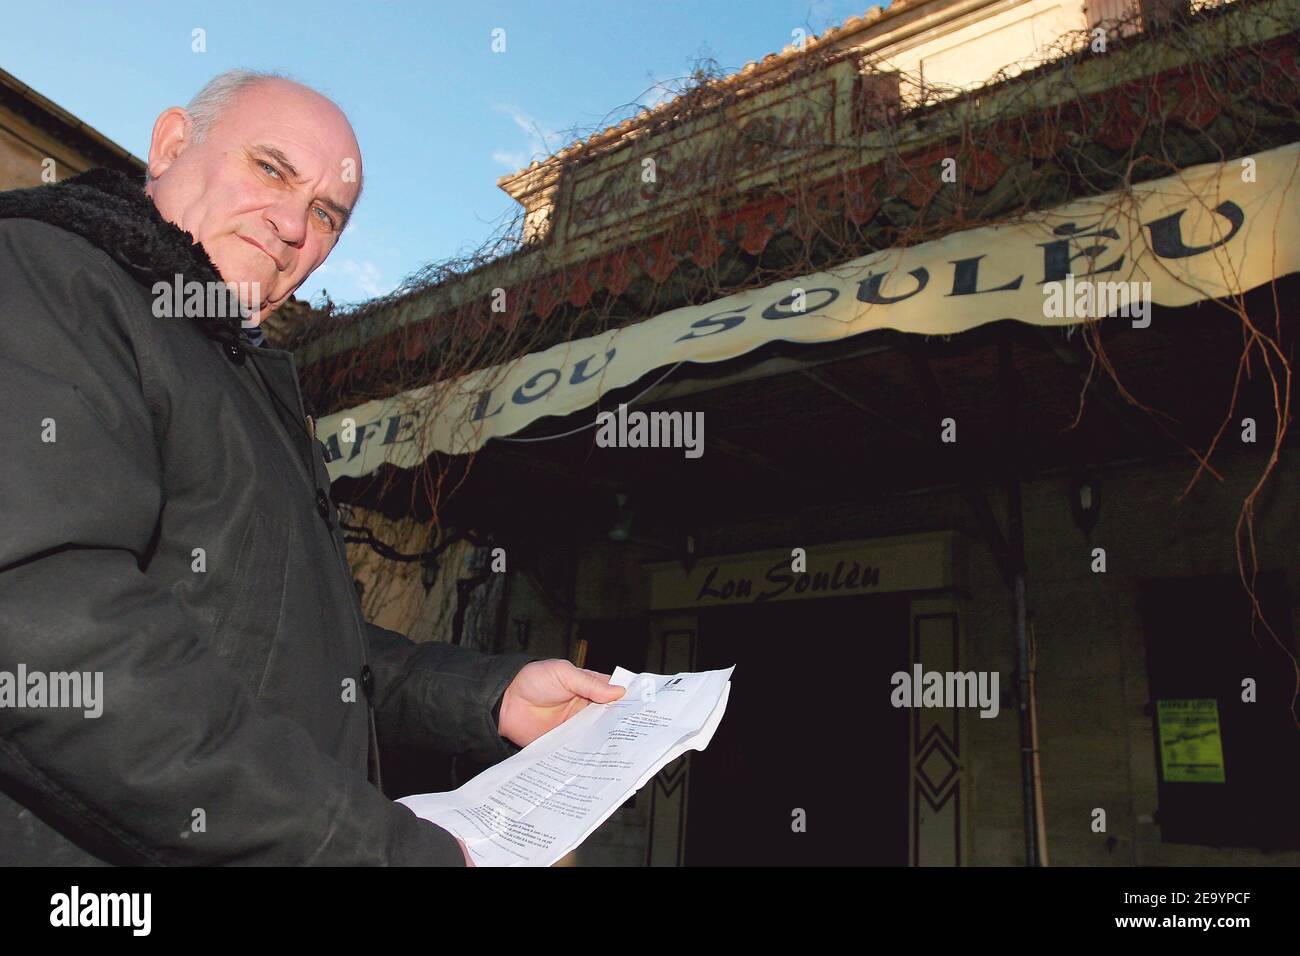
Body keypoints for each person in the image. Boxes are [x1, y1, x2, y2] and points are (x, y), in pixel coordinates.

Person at [0, 69, 623, 866]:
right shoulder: (50, 276)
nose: (294, 224)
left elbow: (306, 653)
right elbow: (55, 641)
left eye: (327, 213)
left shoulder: (239, 375)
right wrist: (388, 852)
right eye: (271, 168)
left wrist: (491, 696)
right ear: (169, 147)